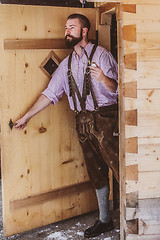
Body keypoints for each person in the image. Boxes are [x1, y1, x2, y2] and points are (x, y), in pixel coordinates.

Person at [14, 14, 119, 238]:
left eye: (72, 27)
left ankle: (136, 217)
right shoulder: (67, 64)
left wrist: (103, 79)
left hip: (106, 120)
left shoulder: (102, 56)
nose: (67, 31)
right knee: (96, 173)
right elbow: (50, 93)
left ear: (84, 31)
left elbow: (119, 90)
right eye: (65, 28)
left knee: (122, 167)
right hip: (82, 123)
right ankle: (105, 220)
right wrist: (26, 117)